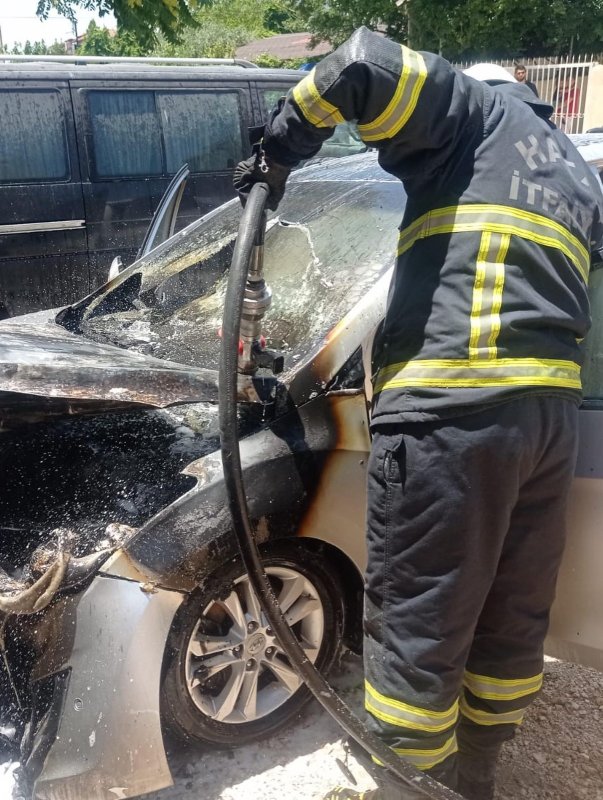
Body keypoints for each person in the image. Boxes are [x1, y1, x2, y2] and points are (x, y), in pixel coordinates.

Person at [233, 30, 603, 800]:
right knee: (510, 615)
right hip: (547, 427)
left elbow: (360, 64)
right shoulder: (573, 170)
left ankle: (405, 784)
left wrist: (279, 143)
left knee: (419, 621)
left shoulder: (472, 113)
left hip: (449, 418)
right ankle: (477, 780)